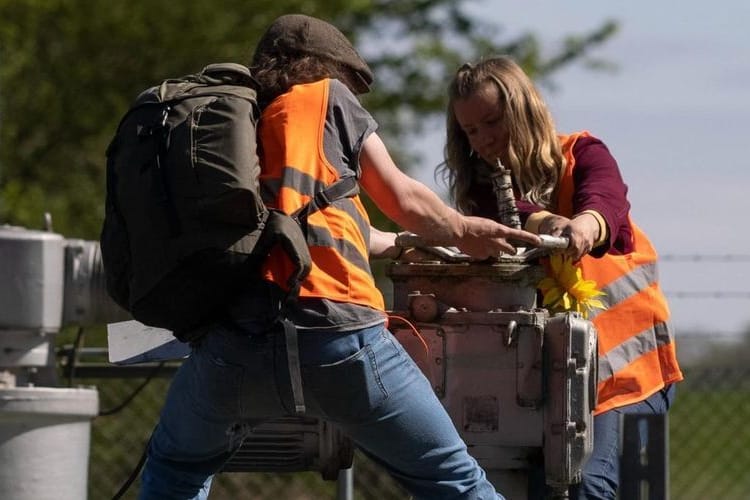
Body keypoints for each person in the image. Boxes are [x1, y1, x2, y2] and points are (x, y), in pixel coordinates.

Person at [137, 16, 542, 500]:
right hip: (339, 336)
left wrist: (407, 243)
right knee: (451, 479)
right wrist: (465, 231)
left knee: (175, 470)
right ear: (326, 69)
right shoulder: (327, 96)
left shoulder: (240, 123)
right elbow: (403, 198)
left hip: (238, 342)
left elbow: (328, 225)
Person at [439, 55, 684, 499]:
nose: (484, 140)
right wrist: (550, 226)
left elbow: (606, 201)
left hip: (627, 378)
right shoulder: (483, 195)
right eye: (471, 132)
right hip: (546, 388)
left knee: (583, 485)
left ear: (523, 111)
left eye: (493, 122)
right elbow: (517, 219)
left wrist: (584, 227)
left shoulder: (585, 154)